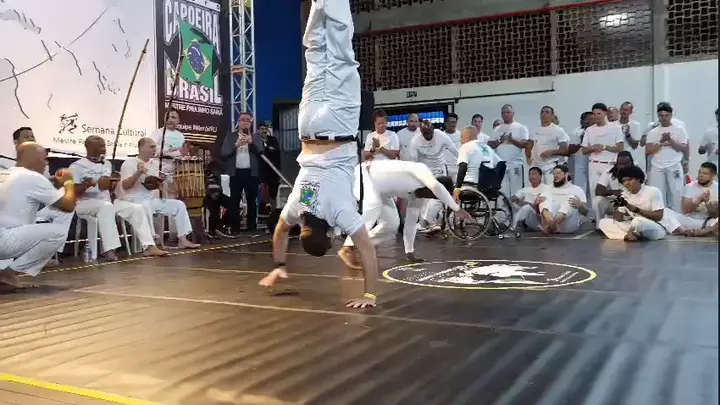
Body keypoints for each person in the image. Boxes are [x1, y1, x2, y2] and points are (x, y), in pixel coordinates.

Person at [257, 0, 379, 309]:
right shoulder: (300, 204)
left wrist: (369, 295)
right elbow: (280, 232)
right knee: (316, 55)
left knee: (340, 55)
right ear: (306, 228)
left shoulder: (339, 212)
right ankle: (319, 4)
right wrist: (279, 266)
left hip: (339, 125)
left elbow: (366, 249)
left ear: (330, 235)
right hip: (309, 126)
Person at [338, 160, 473, 267]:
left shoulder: (418, 197)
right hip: (364, 175)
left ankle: (357, 246)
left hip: (381, 192)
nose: (430, 198)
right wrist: (457, 209)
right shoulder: (422, 170)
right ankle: (348, 248)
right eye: (434, 195)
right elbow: (436, 186)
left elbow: (410, 224)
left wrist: (410, 252)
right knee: (373, 205)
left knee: (391, 225)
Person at [69, 136, 167, 259]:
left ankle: (149, 246)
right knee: (106, 207)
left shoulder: (107, 164)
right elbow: (72, 191)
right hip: (84, 203)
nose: (104, 149)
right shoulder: (77, 166)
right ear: (89, 148)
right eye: (100, 146)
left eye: (104, 145)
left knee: (137, 208)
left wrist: (113, 184)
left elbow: (110, 187)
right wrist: (87, 185)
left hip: (109, 202)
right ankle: (110, 249)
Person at [0, 143, 75, 287]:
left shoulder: (5, 173)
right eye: (44, 159)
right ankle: (8, 274)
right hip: (5, 242)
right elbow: (68, 206)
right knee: (58, 233)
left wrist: (49, 184)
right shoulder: (32, 177)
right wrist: (69, 182)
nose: (46, 164)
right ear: (33, 158)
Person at [116, 137, 200, 249]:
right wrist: (139, 172)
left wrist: (161, 184)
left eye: (155, 147)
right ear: (141, 148)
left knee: (179, 205)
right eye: (151, 147)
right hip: (132, 200)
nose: (154, 149)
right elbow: (125, 186)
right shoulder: (129, 163)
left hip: (149, 200)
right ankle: (150, 245)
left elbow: (153, 186)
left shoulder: (152, 166)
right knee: (145, 205)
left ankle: (183, 240)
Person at [598, 165, 681, 241]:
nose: (626, 183)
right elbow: (618, 219)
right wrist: (617, 208)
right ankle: (628, 236)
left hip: (654, 227)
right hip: (634, 226)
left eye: (629, 179)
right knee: (603, 222)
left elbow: (659, 216)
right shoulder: (624, 195)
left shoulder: (653, 191)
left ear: (639, 179)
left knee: (637, 221)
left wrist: (636, 210)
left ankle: (631, 234)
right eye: (624, 181)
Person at [407, 120, 458, 231]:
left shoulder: (441, 135)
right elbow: (413, 161)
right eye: (426, 134)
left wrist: (463, 162)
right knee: (426, 198)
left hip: (440, 168)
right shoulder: (415, 141)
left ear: (433, 130)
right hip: (426, 170)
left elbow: (454, 151)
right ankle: (429, 223)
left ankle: (443, 222)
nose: (429, 136)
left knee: (441, 195)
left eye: (430, 133)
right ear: (421, 132)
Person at [219, 112, 265, 234]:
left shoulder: (255, 137)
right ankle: (235, 229)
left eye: (247, 120)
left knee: (252, 201)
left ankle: (252, 228)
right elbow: (224, 153)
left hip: (251, 173)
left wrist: (252, 143)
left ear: (250, 123)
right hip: (235, 173)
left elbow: (261, 151)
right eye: (242, 120)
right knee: (234, 201)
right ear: (238, 122)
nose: (245, 122)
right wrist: (236, 145)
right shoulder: (230, 136)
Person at [645, 102, 688, 211]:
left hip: (674, 164)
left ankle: (678, 217)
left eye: (666, 115)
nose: (663, 118)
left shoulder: (679, 129)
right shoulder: (653, 131)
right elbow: (649, 150)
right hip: (657, 165)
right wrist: (661, 142)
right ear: (658, 116)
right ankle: (660, 216)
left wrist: (670, 141)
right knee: (657, 193)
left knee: (677, 193)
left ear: (671, 115)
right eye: (661, 115)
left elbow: (683, 147)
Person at [582, 103, 624, 205]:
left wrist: (604, 147)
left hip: (610, 164)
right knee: (595, 194)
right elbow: (584, 150)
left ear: (605, 113)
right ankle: (597, 214)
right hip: (594, 164)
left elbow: (620, 148)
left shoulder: (616, 128)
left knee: (613, 194)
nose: (596, 116)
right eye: (594, 114)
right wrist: (592, 148)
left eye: (599, 113)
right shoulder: (589, 130)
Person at [527, 106, 570, 184]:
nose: (544, 114)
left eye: (547, 112)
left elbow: (565, 150)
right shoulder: (534, 130)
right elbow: (529, 145)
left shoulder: (558, 130)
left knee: (550, 188)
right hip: (537, 165)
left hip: (551, 165)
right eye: (542, 112)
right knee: (538, 189)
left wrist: (551, 152)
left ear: (552, 115)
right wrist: (528, 156)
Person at [593, 151, 634, 225]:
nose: (623, 166)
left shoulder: (638, 173)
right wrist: (614, 192)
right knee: (597, 200)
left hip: (632, 202)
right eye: (621, 164)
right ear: (617, 164)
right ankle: (599, 226)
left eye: (626, 164)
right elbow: (598, 191)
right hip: (614, 202)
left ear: (631, 163)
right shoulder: (609, 172)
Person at [677, 162, 718, 231]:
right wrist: (699, 200)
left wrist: (707, 203)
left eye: (705, 173)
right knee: (668, 214)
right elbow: (686, 210)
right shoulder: (689, 187)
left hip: (710, 222)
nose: (700, 175)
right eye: (699, 172)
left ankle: (703, 231)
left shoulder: (717, 188)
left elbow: (715, 215)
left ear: (713, 176)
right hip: (691, 221)